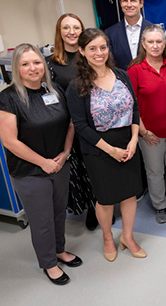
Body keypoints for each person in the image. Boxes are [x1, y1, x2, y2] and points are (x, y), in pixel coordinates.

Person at [0, 44, 82, 285]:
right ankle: (49, 263)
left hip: (59, 164)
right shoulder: (6, 100)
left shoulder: (55, 91)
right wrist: (43, 163)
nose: (33, 68)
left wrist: (65, 153)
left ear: (44, 65)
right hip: (30, 171)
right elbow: (9, 141)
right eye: (25, 64)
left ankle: (60, 250)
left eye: (37, 62)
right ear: (16, 69)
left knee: (59, 213)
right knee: (42, 220)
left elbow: (70, 124)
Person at [66, 28, 146, 261]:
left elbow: (134, 109)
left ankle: (128, 237)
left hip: (127, 142)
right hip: (99, 149)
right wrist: (110, 150)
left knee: (130, 195)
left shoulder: (121, 75)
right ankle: (108, 237)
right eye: (92, 48)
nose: (99, 53)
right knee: (106, 198)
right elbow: (81, 127)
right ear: (82, 51)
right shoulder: (78, 85)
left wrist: (133, 140)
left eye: (103, 47)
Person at [46, 13, 98, 231]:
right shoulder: (51, 63)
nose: (72, 32)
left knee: (95, 166)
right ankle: (85, 207)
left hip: (92, 121)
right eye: (66, 27)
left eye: (76, 27)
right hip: (67, 124)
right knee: (77, 169)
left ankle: (98, 208)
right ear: (60, 32)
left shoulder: (89, 56)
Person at [127, 25, 166, 224]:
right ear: (143, 44)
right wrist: (142, 130)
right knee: (155, 171)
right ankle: (160, 204)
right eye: (150, 41)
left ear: (164, 43)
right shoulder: (135, 70)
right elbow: (130, 103)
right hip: (149, 133)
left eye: (159, 41)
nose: (155, 45)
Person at [105, 0, 152, 70]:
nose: (129, 5)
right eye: (125, 1)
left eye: (133, 1)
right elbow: (110, 64)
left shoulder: (154, 31)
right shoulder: (110, 34)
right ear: (120, 3)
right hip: (122, 82)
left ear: (141, 3)